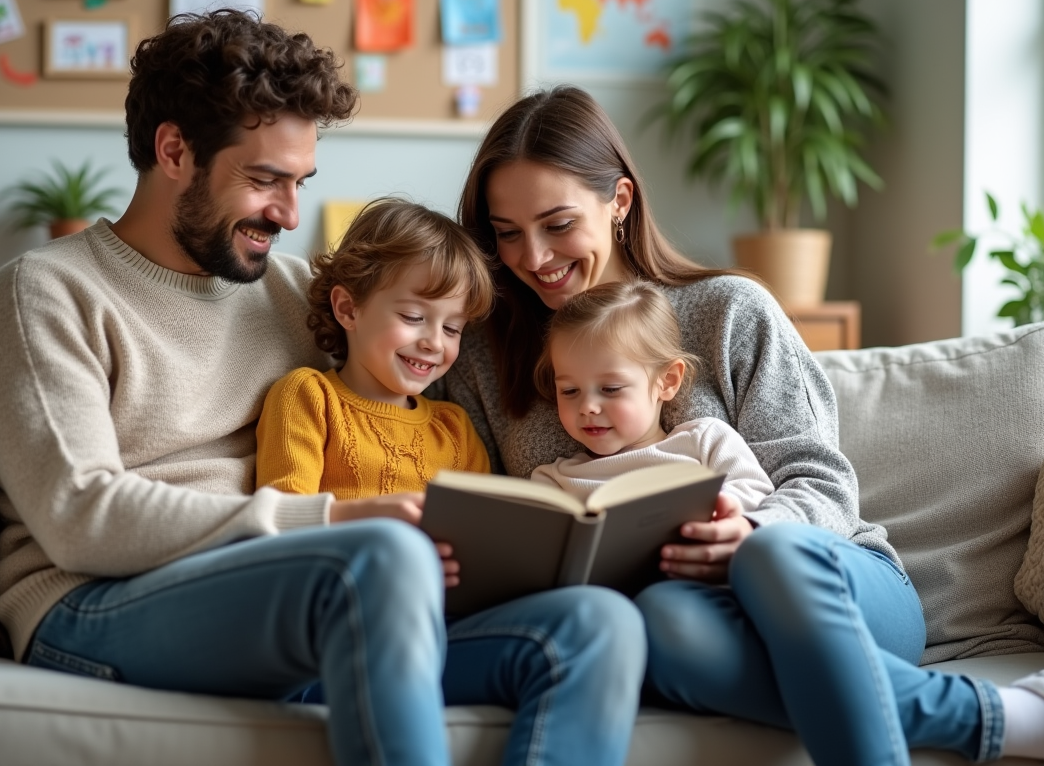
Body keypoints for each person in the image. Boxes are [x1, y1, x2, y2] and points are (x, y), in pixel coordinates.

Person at [0, 12, 645, 766]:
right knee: (377, 557)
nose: (289, 214)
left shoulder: (294, 293)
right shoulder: (47, 293)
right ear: (174, 151)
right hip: (96, 607)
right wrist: (330, 519)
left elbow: (422, 353)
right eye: (264, 181)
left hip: (302, 603)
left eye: (299, 183)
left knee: (593, 625)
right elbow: (80, 518)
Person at [445, 84, 1044, 765]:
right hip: (686, 620)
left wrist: (751, 532)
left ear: (618, 201)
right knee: (658, 627)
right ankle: (988, 714)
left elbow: (821, 481)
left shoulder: (729, 311)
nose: (534, 257)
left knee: (769, 551)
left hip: (833, 586)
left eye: (556, 225)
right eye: (506, 233)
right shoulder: (482, 358)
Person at [256, 198, 493, 505]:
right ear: (348, 309)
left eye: (452, 329)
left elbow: (480, 532)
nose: (434, 343)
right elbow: (284, 516)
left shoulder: (455, 430)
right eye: (413, 317)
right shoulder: (309, 398)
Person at [529, 279, 772, 510]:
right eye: (569, 391)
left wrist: (722, 508)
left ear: (667, 381)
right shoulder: (555, 481)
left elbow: (754, 488)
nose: (587, 407)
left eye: (610, 389)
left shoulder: (704, 441)